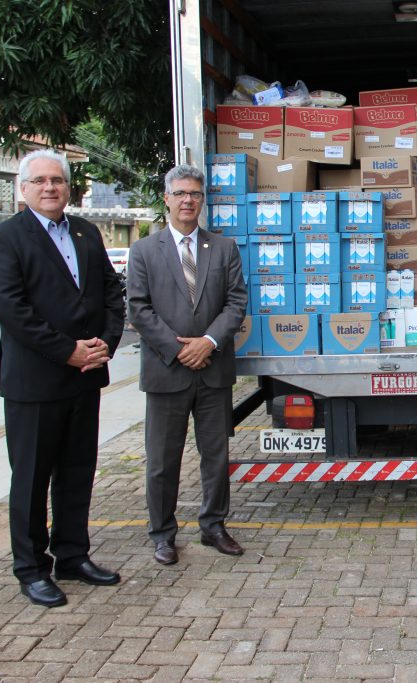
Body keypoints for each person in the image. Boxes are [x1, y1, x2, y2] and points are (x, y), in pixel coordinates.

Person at [0, 149, 125, 607]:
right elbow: (10, 308)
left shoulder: (85, 232)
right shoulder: (4, 239)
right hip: (36, 382)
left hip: (86, 376)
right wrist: (68, 351)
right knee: (31, 478)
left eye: (57, 180)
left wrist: (104, 344)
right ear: (23, 189)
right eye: (39, 180)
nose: (49, 188)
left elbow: (110, 292)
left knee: (78, 472)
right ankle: (31, 568)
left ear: (68, 187)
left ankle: (72, 556)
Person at [126, 164, 248, 566]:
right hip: (167, 371)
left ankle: (213, 526)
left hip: (212, 370)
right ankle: (162, 534)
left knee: (215, 456)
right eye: (180, 193)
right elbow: (139, 309)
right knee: (163, 461)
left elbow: (235, 303)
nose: (187, 200)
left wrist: (208, 341)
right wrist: (178, 349)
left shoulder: (224, 248)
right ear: (167, 198)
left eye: (194, 193)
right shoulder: (144, 250)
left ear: (203, 199)